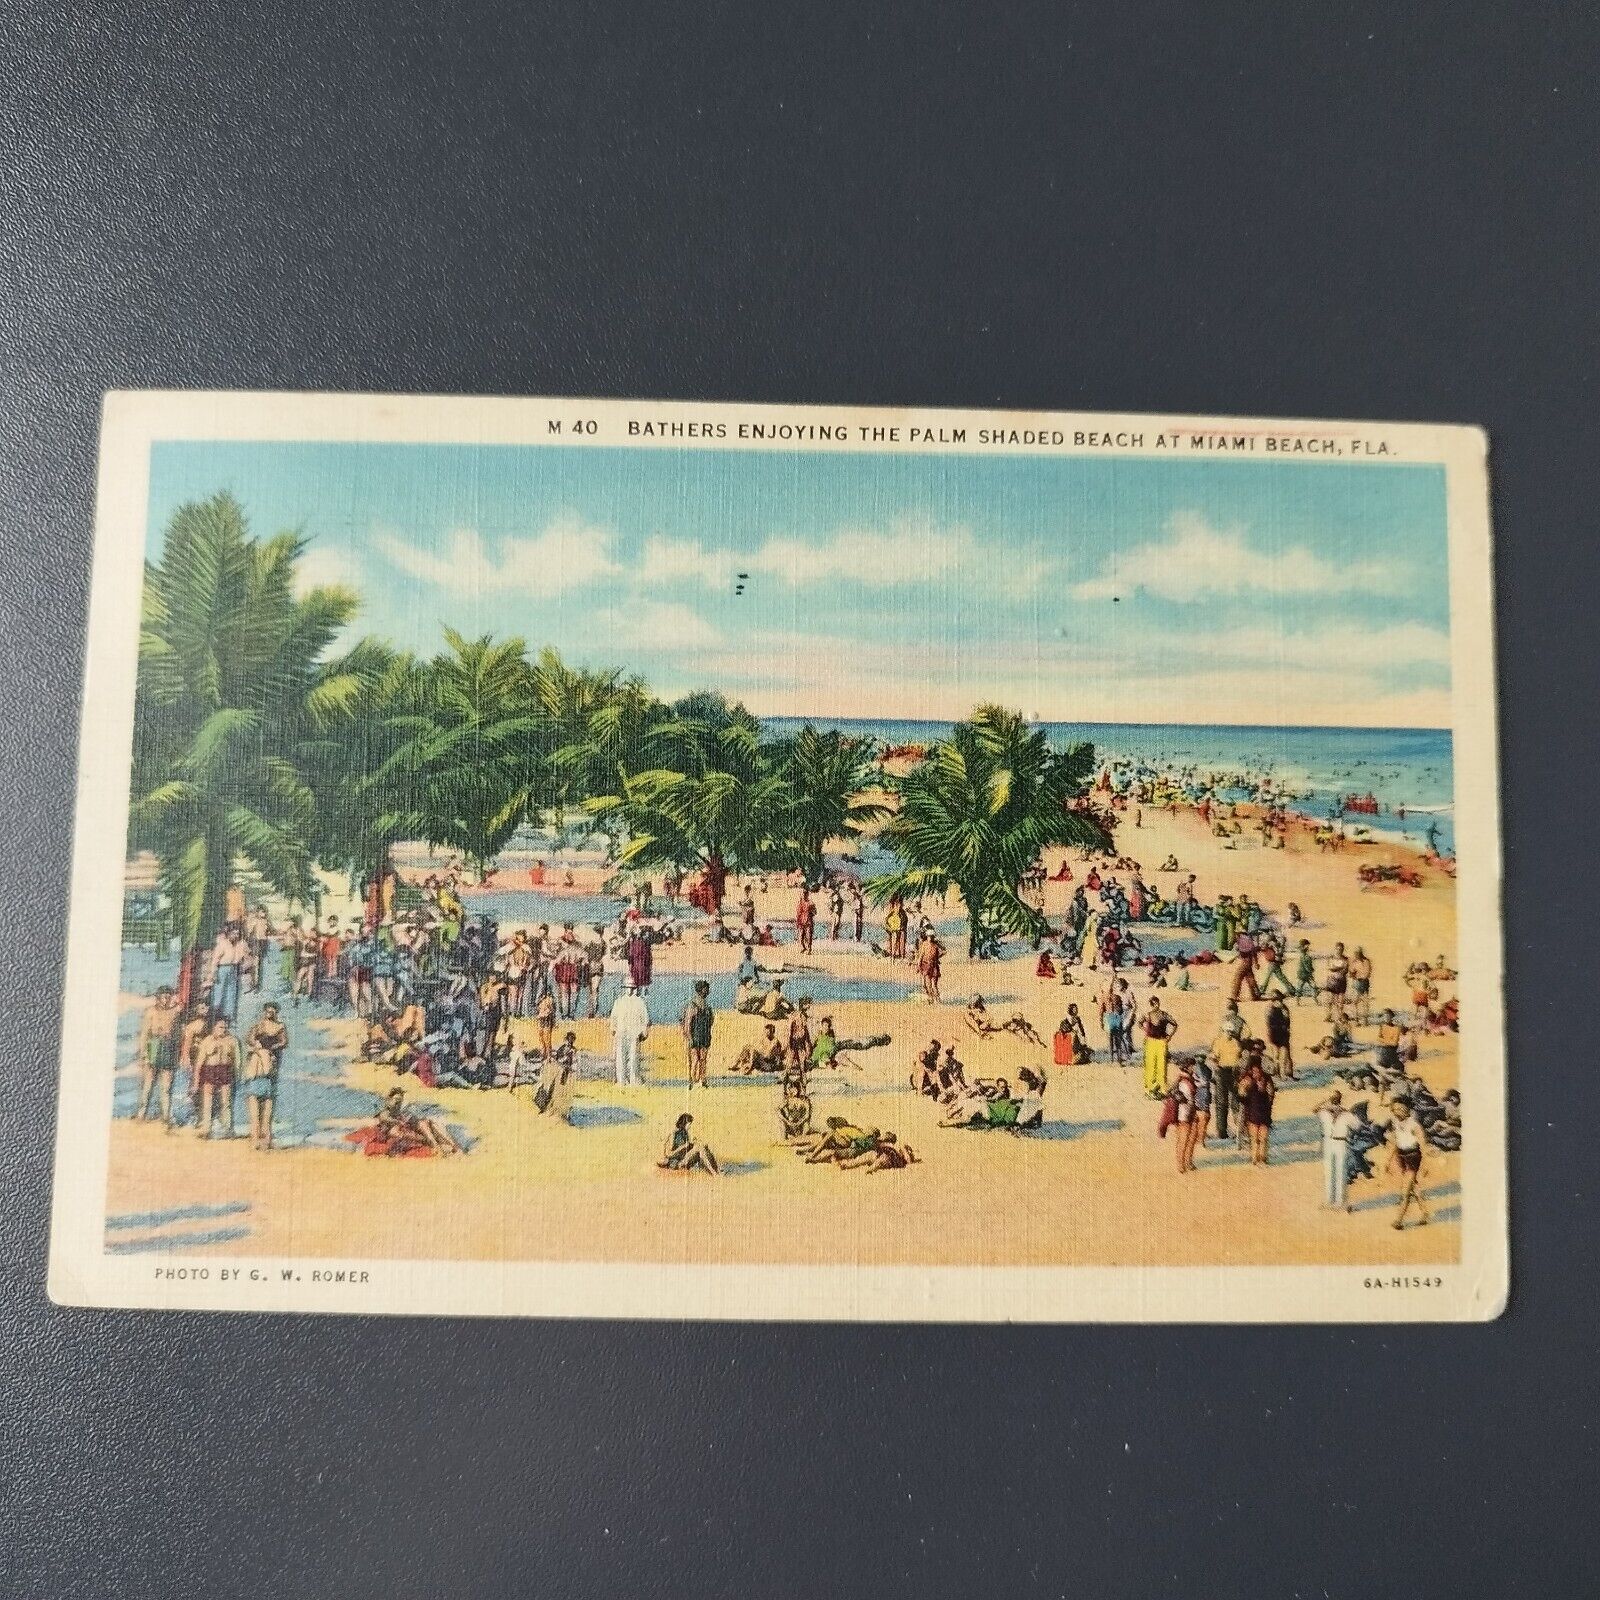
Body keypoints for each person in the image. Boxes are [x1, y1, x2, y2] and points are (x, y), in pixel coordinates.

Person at [132, 985, 184, 1125]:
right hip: (154, 1046)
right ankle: (141, 1114)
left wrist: (177, 1054)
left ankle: (166, 1116)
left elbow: (179, 1035)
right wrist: (143, 1053)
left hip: (168, 1047)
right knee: (148, 1084)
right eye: (164, 996)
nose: (166, 999)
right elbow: (144, 1034)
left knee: (166, 1086)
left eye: (169, 997)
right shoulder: (150, 1012)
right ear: (158, 998)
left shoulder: (175, 1013)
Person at [240, 1003, 289, 1150]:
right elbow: (249, 1038)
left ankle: (266, 1139)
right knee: (256, 1106)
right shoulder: (258, 1025)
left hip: (271, 1068)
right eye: (268, 1011)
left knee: (268, 1107)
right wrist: (257, 1046)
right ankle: (255, 1139)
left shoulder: (280, 1026)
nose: (270, 1013)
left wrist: (272, 1048)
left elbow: (284, 1042)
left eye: (272, 1011)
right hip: (258, 1066)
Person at [1386, 1097, 1431, 1228]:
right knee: (1414, 1187)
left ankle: (1399, 1220)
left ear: (1408, 1109)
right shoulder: (1395, 1122)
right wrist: (1388, 1160)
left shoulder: (1414, 1125)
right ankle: (1425, 1214)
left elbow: (1423, 1146)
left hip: (1413, 1157)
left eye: (1401, 1109)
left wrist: (1425, 1165)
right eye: (1394, 1109)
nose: (1397, 1112)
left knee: (1405, 1190)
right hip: (1402, 1156)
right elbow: (1395, 1142)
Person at [193, 1017, 241, 1139]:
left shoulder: (232, 1041)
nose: (223, 1030)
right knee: (208, 1102)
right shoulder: (207, 1041)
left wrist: (237, 1076)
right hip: (210, 1071)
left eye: (225, 1027)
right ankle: (206, 1130)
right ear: (214, 1027)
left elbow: (237, 1061)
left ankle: (228, 1129)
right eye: (220, 1027)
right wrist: (196, 1081)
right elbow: (199, 1063)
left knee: (226, 1102)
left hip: (225, 1071)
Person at [1315, 1089, 1362, 1210]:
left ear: (1339, 1099)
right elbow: (1314, 1109)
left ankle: (1340, 1201)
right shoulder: (1324, 1112)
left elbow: (1357, 1126)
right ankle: (1328, 1200)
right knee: (1329, 1171)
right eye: (1332, 1097)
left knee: (1341, 1171)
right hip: (1328, 1141)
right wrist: (1324, 1101)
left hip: (1341, 1142)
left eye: (1335, 1097)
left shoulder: (1346, 1114)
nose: (1334, 1099)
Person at [207, 923, 250, 1025]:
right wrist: (213, 973)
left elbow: (248, 956)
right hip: (222, 969)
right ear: (228, 933)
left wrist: (243, 967)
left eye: (237, 934)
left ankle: (229, 1017)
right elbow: (215, 960)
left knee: (231, 994)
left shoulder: (241, 944)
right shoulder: (222, 943)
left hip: (234, 969)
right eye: (233, 933)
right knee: (219, 993)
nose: (235, 936)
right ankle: (214, 1018)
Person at [610, 984, 650, 1086]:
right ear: (624, 989)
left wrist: (644, 1032)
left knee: (633, 1058)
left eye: (631, 988)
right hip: (621, 1032)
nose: (630, 990)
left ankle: (634, 1080)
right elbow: (613, 1017)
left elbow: (645, 1019)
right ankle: (621, 1080)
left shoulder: (639, 1002)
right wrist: (613, 1029)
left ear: (635, 989)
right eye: (628, 988)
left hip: (634, 1033)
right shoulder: (619, 1001)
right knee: (620, 1058)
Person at [1239, 1060, 1275, 1166]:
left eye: (1258, 1070)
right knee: (1254, 1138)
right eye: (1254, 1071)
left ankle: (1262, 1158)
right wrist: (1244, 1089)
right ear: (1251, 1071)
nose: (1256, 1073)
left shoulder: (1267, 1079)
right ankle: (1255, 1158)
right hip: (1252, 1112)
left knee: (1263, 1138)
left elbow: (1271, 1095)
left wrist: (1265, 1092)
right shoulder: (1247, 1080)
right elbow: (1241, 1097)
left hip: (1264, 1112)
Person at [1140, 998, 1176, 1098]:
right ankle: (1149, 1089)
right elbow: (1139, 1023)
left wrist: (1169, 1036)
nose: (1156, 1005)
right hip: (1150, 1042)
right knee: (1150, 1065)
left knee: (1161, 1065)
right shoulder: (1147, 1015)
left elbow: (1174, 1024)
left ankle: (1162, 1089)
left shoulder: (1164, 1015)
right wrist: (1145, 1030)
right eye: (1154, 1003)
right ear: (1151, 1004)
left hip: (1161, 1041)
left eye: (1157, 1003)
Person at [682, 979, 714, 1089]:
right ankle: (692, 1081)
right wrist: (689, 1038)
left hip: (704, 1036)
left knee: (703, 1059)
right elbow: (687, 1024)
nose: (708, 992)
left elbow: (711, 1022)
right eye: (706, 989)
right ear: (701, 991)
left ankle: (702, 1080)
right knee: (695, 1059)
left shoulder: (707, 1007)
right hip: (695, 1036)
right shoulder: (692, 1006)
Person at [1264, 995, 1294, 1079]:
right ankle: (1277, 1073)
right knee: (1276, 1056)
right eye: (1277, 1000)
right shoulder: (1270, 1009)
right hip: (1274, 1035)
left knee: (1284, 1055)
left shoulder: (1284, 1008)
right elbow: (1269, 1024)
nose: (1280, 1002)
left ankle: (1285, 1073)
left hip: (1283, 1035)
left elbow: (1288, 1023)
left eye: (1280, 1000)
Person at [1324, 941, 1350, 1022]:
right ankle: (1329, 1015)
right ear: (1335, 949)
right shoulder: (1331, 958)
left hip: (1341, 981)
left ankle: (1340, 1016)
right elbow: (1330, 968)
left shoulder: (1346, 959)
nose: (1339, 951)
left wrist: (1336, 968)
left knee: (1340, 1001)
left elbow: (1345, 971)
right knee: (1330, 1000)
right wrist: (1339, 968)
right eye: (1338, 949)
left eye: (1341, 949)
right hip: (1331, 981)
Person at [1348, 947, 1373, 1026]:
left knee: (1365, 1003)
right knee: (1355, 1003)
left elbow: (1367, 973)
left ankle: (1365, 1020)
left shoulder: (1366, 961)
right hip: (1356, 984)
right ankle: (1356, 1020)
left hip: (1364, 983)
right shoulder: (1355, 962)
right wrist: (1354, 975)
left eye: (1358, 953)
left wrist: (1358, 975)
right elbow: (1351, 972)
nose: (1356, 955)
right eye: (1355, 953)